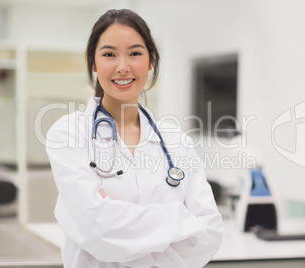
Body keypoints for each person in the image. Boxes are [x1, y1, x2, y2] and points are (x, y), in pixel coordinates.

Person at [46, 9, 223, 268]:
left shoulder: (176, 141)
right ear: (94, 63)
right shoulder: (68, 134)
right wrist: (180, 218)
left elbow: (210, 232)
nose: (122, 66)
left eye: (135, 53)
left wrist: (122, 226)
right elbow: (97, 229)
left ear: (151, 60)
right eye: (109, 54)